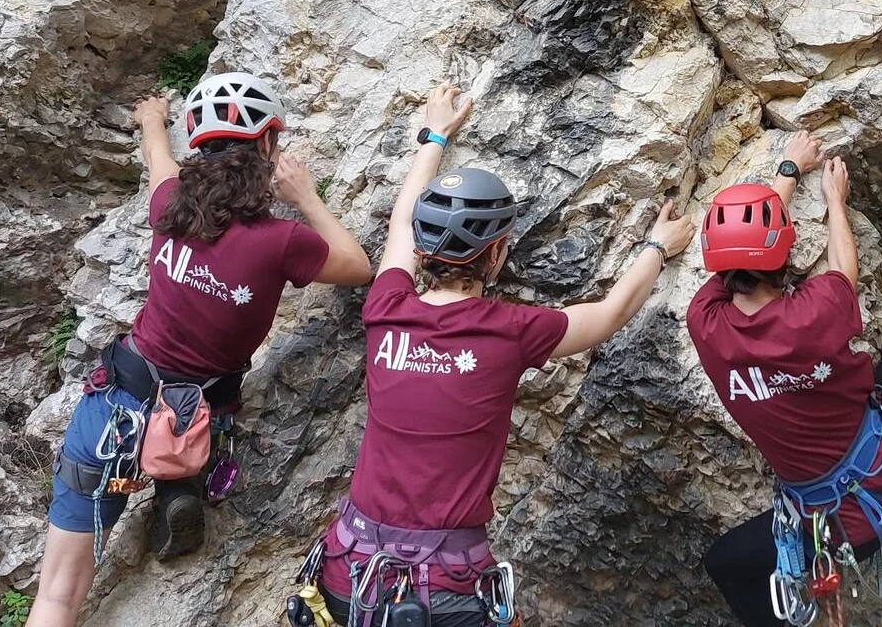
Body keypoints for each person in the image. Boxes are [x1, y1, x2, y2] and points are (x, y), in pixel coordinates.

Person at [293, 83, 695, 627]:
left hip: (348, 568)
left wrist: (434, 135)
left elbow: (398, 224)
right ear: (499, 251)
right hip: (443, 589)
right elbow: (609, 315)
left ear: (421, 247)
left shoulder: (386, 306)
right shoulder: (511, 331)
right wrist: (656, 248)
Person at [27, 72, 375, 627]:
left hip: (115, 411)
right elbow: (358, 267)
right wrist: (306, 197)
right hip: (198, 419)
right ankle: (177, 480)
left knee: (57, 596)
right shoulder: (283, 242)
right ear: (268, 145)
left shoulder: (170, 207)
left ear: (197, 144)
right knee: (198, 410)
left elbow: (159, 163)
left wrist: (150, 119)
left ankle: (169, 481)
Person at [690, 133, 882, 627]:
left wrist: (782, 179)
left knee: (723, 562)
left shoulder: (705, 324)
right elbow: (844, 269)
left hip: (824, 530)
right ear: (784, 252)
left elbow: (738, 254)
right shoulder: (815, 311)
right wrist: (833, 199)